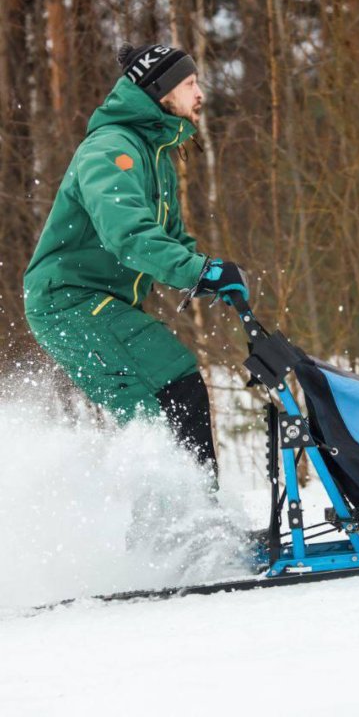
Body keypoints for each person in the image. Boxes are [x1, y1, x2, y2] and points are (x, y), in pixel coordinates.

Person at [23, 43, 247, 491]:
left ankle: (184, 528)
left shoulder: (155, 154)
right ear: (160, 92)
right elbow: (128, 235)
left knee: (165, 399)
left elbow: (169, 238)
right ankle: (188, 532)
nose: (200, 93)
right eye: (189, 84)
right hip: (68, 301)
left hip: (94, 302)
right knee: (169, 391)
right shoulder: (112, 149)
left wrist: (212, 271)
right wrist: (196, 272)